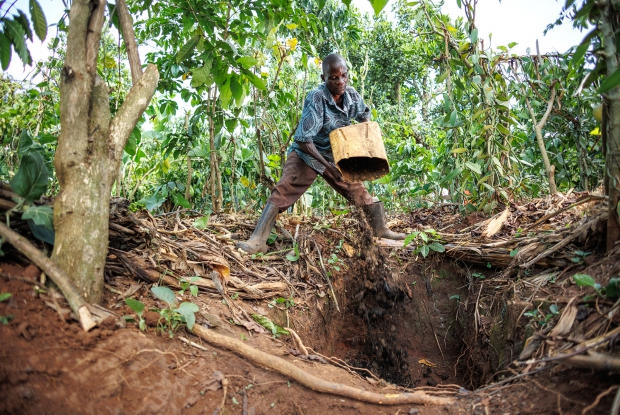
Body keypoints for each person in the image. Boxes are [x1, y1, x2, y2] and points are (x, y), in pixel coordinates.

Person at [237, 53, 405, 254]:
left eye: (343, 75)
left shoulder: (351, 96)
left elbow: (364, 117)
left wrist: (362, 145)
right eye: (333, 77)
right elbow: (303, 139)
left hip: (336, 154)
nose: (340, 81)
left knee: (359, 192)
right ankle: (258, 240)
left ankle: (380, 229)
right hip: (306, 154)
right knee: (284, 189)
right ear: (323, 78)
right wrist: (328, 167)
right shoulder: (316, 98)